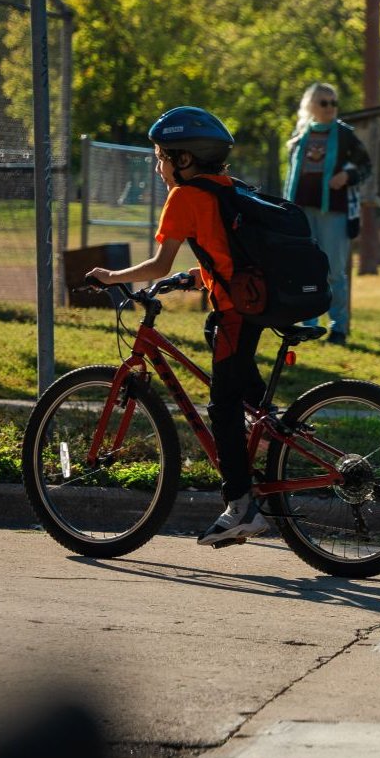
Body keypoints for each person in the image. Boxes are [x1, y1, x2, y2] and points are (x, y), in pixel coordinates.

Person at [86, 107, 269, 547]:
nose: (158, 166)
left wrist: (111, 277)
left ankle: (241, 507)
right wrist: (191, 278)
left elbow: (157, 263)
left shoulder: (185, 197)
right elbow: (224, 251)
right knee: (222, 350)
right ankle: (266, 427)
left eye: (162, 157)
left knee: (221, 408)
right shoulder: (229, 187)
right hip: (254, 307)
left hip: (236, 314)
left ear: (184, 160)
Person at [283, 83, 373, 346]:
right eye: (324, 102)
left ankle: (339, 329)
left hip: (334, 212)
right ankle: (308, 325)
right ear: (311, 105)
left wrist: (348, 175)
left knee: (334, 272)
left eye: (334, 102)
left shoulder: (345, 135)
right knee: (305, 271)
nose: (331, 108)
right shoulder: (300, 135)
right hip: (301, 212)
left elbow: (366, 166)